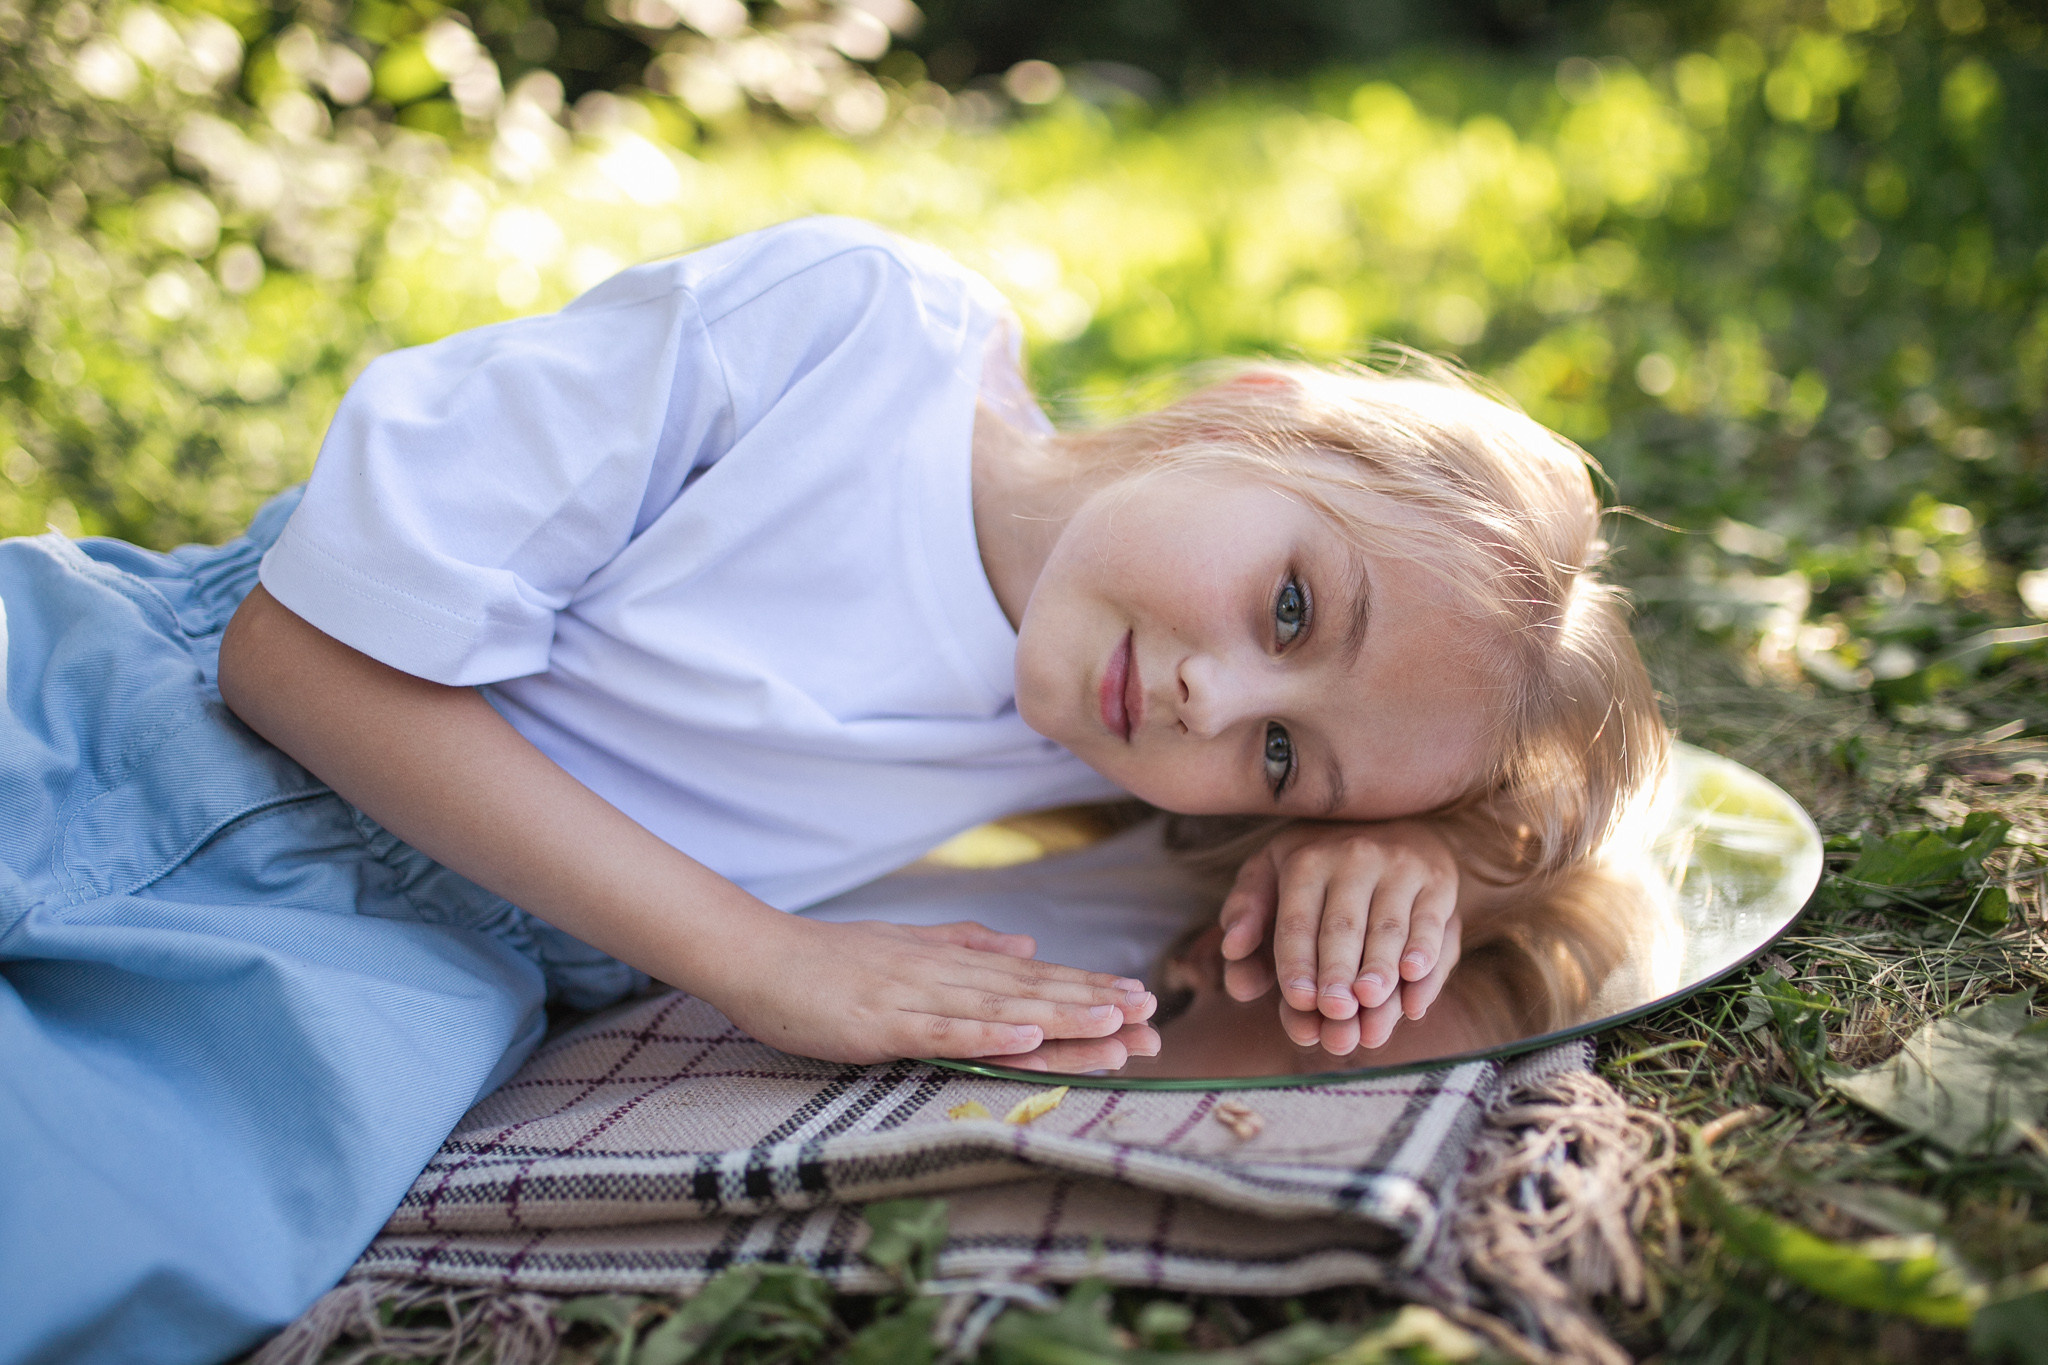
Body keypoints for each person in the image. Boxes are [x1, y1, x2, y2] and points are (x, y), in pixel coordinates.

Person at [0, 216, 1666, 1365]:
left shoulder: (1111, 808)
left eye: (1288, 758)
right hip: (123, 706)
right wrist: (758, 960)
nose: (1210, 695)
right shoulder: (855, 337)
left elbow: (1589, 881)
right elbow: (292, 655)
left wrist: (1413, 859)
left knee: (111, 1253)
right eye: (1296, 604)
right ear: (1260, 417)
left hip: (382, 985)